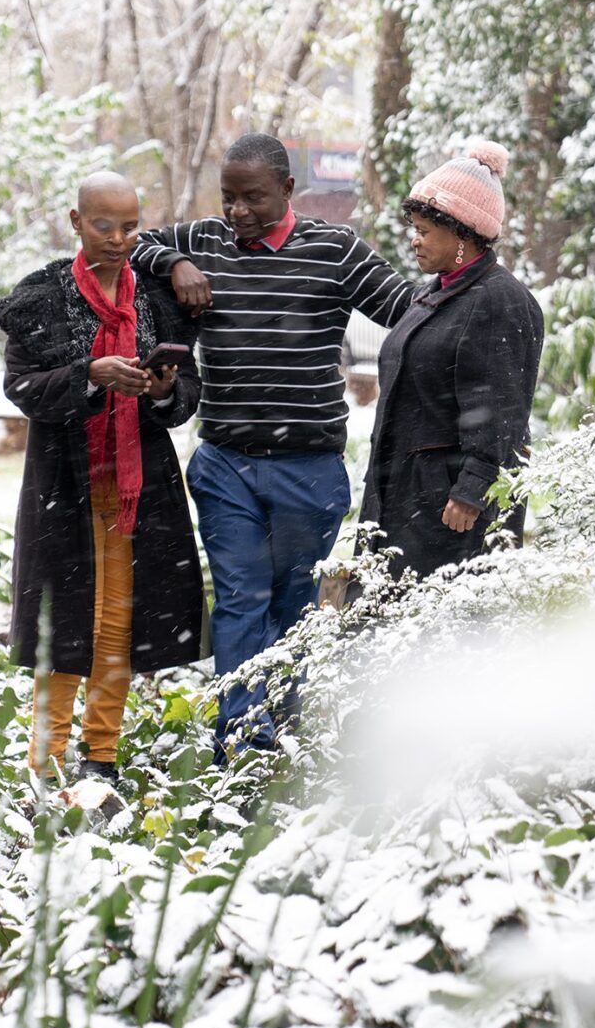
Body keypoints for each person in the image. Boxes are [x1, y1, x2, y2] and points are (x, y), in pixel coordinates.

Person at [129, 133, 417, 759]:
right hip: (225, 461)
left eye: (254, 198)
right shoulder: (201, 242)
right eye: (229, 198)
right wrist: (174, 265)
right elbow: (130, 241)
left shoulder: (334, 251)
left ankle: (275, 722)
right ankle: (240, 741)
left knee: (291, 604)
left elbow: (408, 309)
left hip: (307, 467)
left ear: (288, 190)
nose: (238, 212)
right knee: (239, 597)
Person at [0, 172, 205, 786]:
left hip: (139, 483)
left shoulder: (158, 300)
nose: (118, 239)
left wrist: (163, 390)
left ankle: (101, 756)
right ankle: (46, 757)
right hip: (66, 483)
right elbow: (22, 387)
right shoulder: (41, 297)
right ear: (75, 221)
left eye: (130, 225)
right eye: (103, 225)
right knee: (62, 622)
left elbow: (185, 393)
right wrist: (90, 374)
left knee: (120, 618)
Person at [359, 142, 544, 579]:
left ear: (462, 234)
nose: (413, 238)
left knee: (447, 634)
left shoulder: (501, 302)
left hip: (452, 509)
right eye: (414, 226)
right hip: (408, 493)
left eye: (424, 230)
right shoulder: (435, 292)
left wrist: (472, 489)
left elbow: (503, 409)